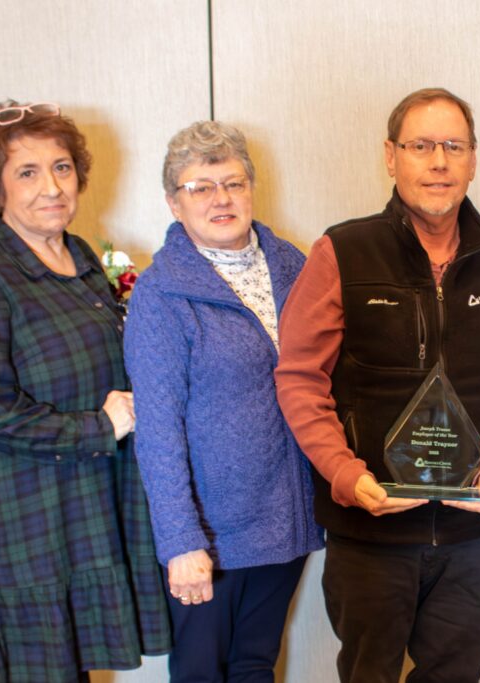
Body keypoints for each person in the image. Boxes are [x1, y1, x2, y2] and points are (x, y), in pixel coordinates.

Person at [275, 87, 480, 683]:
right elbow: (298, 378)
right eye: (421, 146)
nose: (439, 162)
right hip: (370, 528)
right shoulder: (342, 250)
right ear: (391, 157)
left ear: (474, 158)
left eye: (453, 146)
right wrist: (347, 476)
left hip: (470, 528)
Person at [0, 101, 171, 683]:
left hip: (82, 508)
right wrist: (99, 427)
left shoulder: (84, 257)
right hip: (17, 524)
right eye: (28, 172)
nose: (51, 187)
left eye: (62, 168)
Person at [124, 121, 323, 682]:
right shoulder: (162, 294)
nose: (220, 199)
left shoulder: (294, 267)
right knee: (201, 673)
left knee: (257, 665)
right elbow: (157, 430)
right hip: (211, 535)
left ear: (251, 188)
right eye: (200, 187)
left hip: (288, 519)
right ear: (174, 203)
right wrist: (181, 542)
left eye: (232, 183)